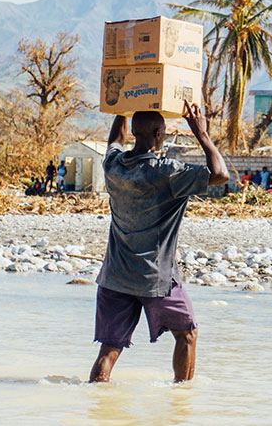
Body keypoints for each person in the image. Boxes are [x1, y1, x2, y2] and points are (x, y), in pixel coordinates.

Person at [89, 102, 228, 383]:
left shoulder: (114, 165)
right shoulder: (166, 172)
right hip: (156, 277)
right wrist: (201, 134)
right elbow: (221, 174)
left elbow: (115, 139)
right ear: (157, 133)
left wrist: (123, 103)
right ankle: (181, 402)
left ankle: (96, 403)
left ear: (135, 132)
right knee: (187, 334)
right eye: (163, 131)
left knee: (110, 349)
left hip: (115, 277)